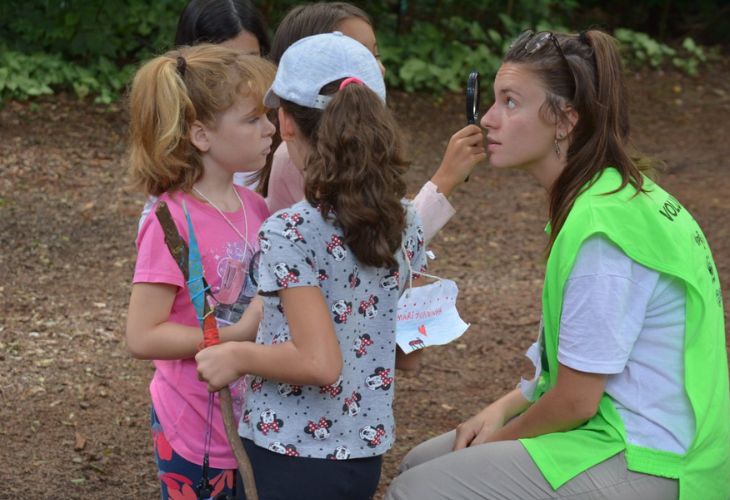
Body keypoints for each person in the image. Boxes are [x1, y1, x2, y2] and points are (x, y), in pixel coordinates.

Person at [386, 29, 730, 499]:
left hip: (653, 458)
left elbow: (575, 401)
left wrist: (495, 444)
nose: (488, 119)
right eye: (492, 100)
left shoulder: (602, 232)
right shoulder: (606, 196)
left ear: (565, 120)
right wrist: (503, 407)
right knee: (419, 463)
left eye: (510, 102)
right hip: (621, 430)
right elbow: (567, 368)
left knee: (418, 490)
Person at [195, 32, 427, 500]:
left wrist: (234, 355)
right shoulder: (407, 220)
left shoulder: (289, 232)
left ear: (285, 122)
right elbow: (411, 350)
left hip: (291, 454)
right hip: (363, 454)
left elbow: (318, 362)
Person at [125, 44, 276, 499]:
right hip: (192, 426)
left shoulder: (257, 207)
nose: (270, 128)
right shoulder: (170, 223)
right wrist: (236, 337)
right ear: (201, 135)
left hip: (250, 418)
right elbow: (142, 336)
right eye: (252, 119)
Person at [261, 2, 485, 240]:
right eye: (358, 55)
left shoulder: (363, 142)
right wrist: (445, 179)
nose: (379, 68)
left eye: (374, 55)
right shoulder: (293, 159)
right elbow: (377, 245)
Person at [138, 0, 271, 232]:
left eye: (251, 59)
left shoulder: (256, 202)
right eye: (227, 62)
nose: (244, 74)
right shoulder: (171, 222)